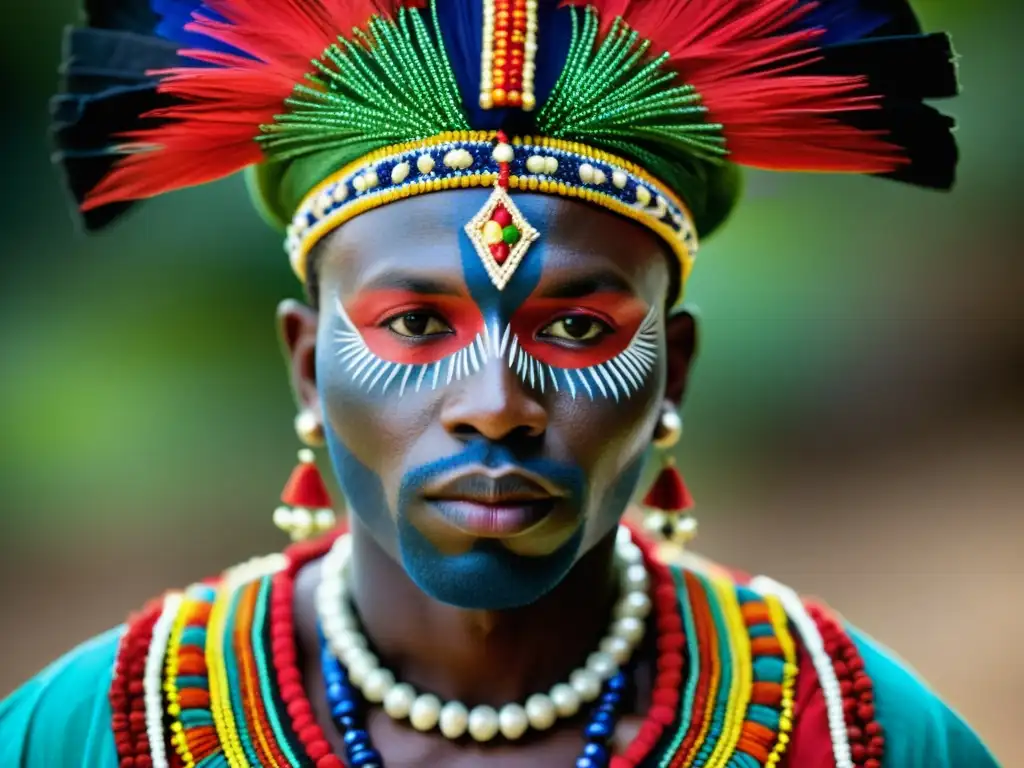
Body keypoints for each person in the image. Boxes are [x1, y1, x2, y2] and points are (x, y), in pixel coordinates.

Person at [0, 0, 1001, 766]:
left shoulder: (852, 728)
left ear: (675, 371)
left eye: (575, 327)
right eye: (415, 324)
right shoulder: (91, 731)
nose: (495, 405)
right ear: (306, 365)